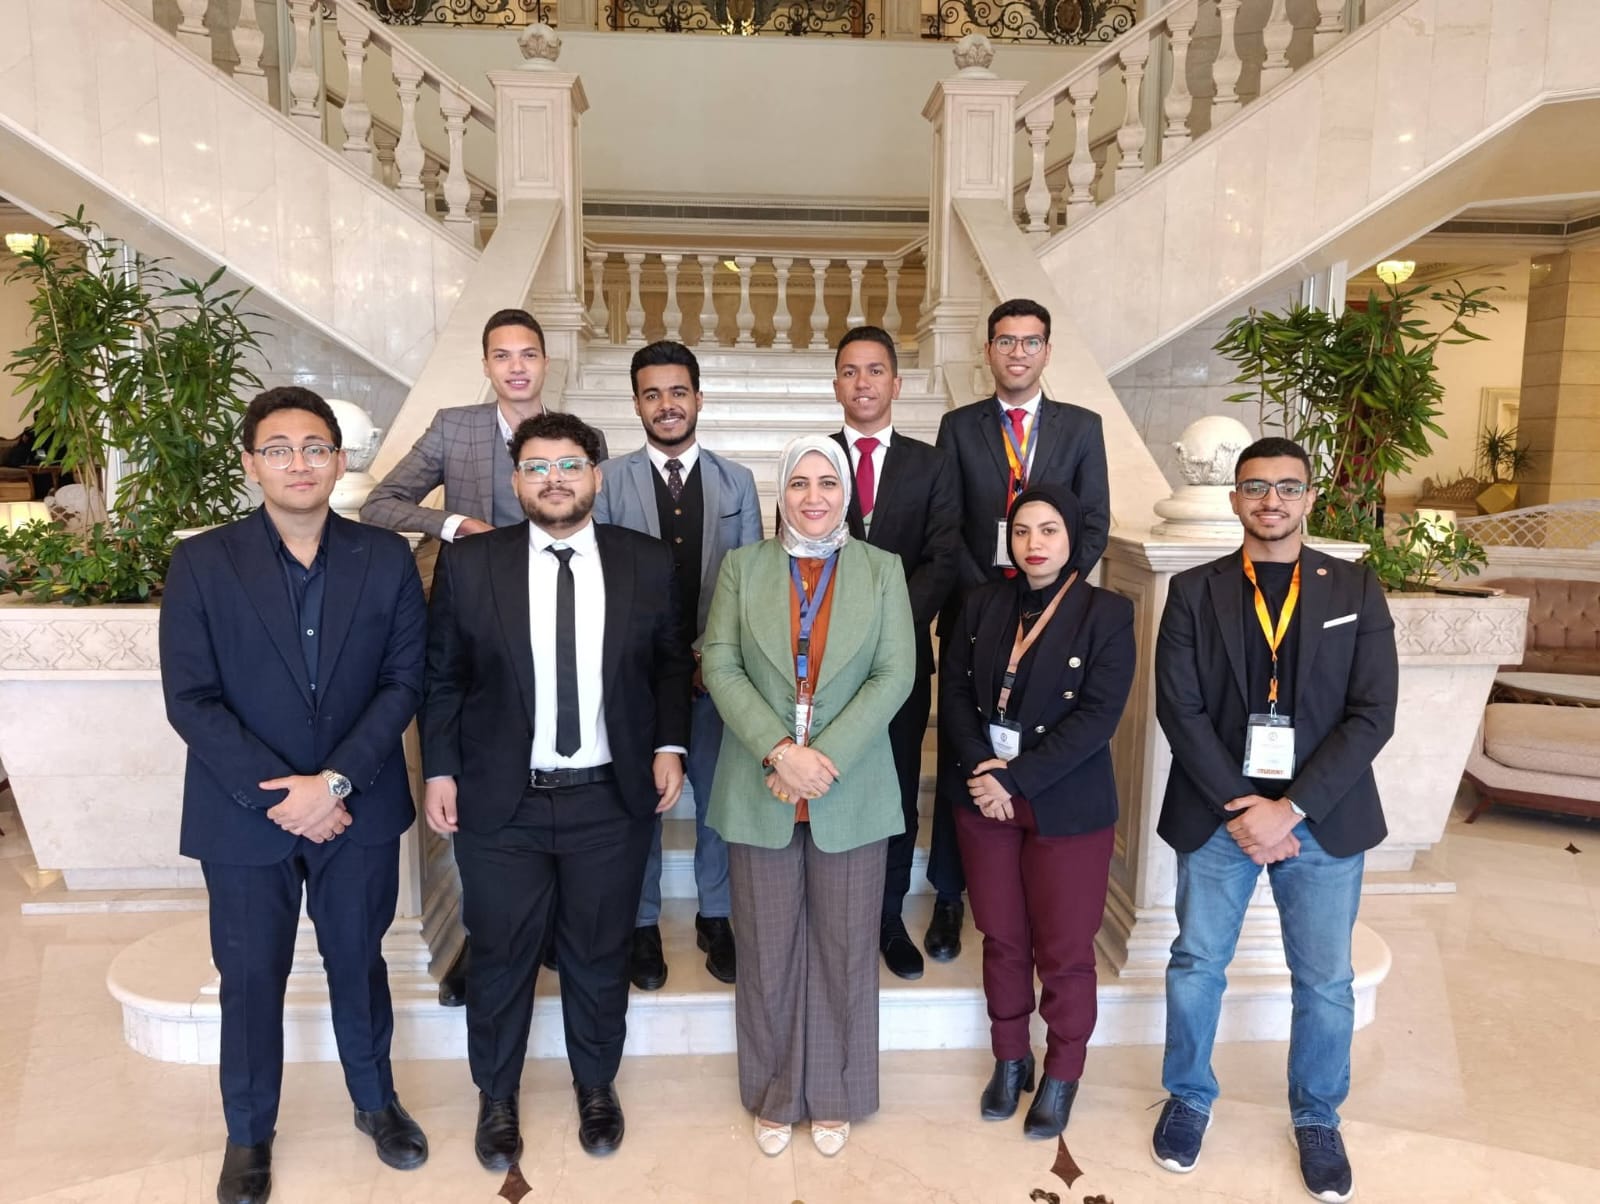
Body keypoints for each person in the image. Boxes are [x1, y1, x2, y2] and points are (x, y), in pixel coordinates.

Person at [160, 387, 429, 1204]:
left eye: (315, 447)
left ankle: (375, 1101)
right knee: (250, 977)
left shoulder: (385, 558)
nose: (298, 463)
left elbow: (403, 681)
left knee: (358, 960)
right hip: (243, 816)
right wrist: (284, 795)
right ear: (251, 464)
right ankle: (249, 1134)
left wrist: (334, 781)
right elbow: (191, 699)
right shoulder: (202, 562)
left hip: (359, 806)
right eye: (278, 449)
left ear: (339, 461)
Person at [421, 412, 693, 1167]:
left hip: (608, 799)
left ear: (596, 476)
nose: (554, 479)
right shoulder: (472, 565)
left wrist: (669, 745)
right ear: (516, 482)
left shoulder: (646, 561)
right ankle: (496, 1096)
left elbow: (671, 663)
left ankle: (596, 1086)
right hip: (499, 802)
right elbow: (442, 677)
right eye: (537, 467)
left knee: (599, 951)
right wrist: (439, 768)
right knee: (500, 954)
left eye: (569, 465)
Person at [1150, 437, 1397, 1203]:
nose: (1272, 501)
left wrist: (1289, 808)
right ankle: (1188, 1096)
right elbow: (1180, 709)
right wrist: (1245, 807)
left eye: (1288, 487)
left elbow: (1373, 713)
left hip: (1323, 816)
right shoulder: (1193, 591)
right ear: (1234, 498)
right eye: (1256, 486)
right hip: (1218, 814)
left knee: (1325, 979)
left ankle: (1317, 1116)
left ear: (1310, 498)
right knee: (1197, 963)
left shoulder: (1355, 588)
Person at [361, 307, 607, 1008]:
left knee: (556, 769)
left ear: (545, 362)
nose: (517, 367)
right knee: (480, 775)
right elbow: (380, 503)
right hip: (475, 626)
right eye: (503, 355)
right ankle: (485, 934)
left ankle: (554, 924)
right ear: (487, 366)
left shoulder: (572, 437)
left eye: (528, 354)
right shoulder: (454, 428)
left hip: (557, 625)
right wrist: (453, 524)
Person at [700, 435, 914, 1158]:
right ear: (781, 493)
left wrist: (822, 760)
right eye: (799, 483)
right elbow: (721, 663)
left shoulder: (882, 570)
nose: (813, 497)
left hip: (848, 788)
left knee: (845, 950)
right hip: (761, 784)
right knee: (765, 952)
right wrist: (780, 751)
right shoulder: (743, 567)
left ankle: (835, 1092)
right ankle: (774, 1093)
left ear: (846, 493)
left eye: (827, 482)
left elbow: (895, 673)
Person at [939, 483, 1134, 1140]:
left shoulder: (1107, 612)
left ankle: (1063, 1072)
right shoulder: (981, 603)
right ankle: (1010, 1058)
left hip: (1066, 805)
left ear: (1072, 537)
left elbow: (1097, 718)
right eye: (1022, 531)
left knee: (1064, 948)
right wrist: (982, 770)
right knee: (1000, 936)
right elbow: (956, 693)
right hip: (985, 799)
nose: (1034, 544)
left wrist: (1014, 778)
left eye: (1049, 530)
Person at [928, 297, 1111, 964]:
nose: (1018, 353)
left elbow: (1094, 522)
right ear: (988, 351)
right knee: (965, 748)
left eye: (1031, 342)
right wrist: (990, 597)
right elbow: (947, 521)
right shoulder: (959, 426)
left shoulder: (1081, 426)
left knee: (1037, 740)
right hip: (977, 611)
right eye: (1006, 341)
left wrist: (1050, 590)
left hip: (1053, 619)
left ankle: (1030, 881)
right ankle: (950, 896)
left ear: (1047, 351)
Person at [593, 340, 761, 990]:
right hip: (635, 676)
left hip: (718, 674)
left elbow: (749, 583)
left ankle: (716, 915)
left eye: (678, 392)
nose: (667, 405)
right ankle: (641, 923)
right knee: (641, 801)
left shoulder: (736, 481)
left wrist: (707, 655)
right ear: (637, 404)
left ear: (698, 398)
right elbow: (603, 581)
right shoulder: (609, 481)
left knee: (721, 797)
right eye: (652, 394)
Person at [827, 325, 961, 980]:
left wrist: (884, 628)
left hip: (902, 660)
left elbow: (943, 557)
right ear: (836, 384)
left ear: (897, 384)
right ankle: (836, 913)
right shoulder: (814, 458)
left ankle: (886, 915)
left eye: (875, 370)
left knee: (899, 789)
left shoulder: (931, 464)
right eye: (851, 371)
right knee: (831, 785)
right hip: (824, 666)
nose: (863, 383)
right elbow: (793, 552)